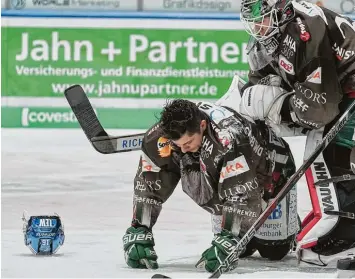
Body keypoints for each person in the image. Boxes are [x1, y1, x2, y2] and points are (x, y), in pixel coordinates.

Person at [238, 0, 355, 267]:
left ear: (281, 11)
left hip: (348, 93)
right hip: (338, 93)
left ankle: (346, 232)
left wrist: (280, 107)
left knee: (332, 156)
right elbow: (261, 79)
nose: (257, 24)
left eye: (262, 16)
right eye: (253, 18)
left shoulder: (305, 32)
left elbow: (320, 109)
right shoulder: (272, 35)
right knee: (323, 153)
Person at [122, 98, 300, 273]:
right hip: (222, 185)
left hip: (271, 174)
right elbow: (149, 183)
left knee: (273, 251)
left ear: (202, 125)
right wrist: (140, 227)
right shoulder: (159, 138)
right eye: (178, 145)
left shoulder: (230, 138)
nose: (183, 149)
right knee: (243, 249)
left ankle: (291, 222)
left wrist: (229, 239)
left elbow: (240, 193)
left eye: (188, 142)